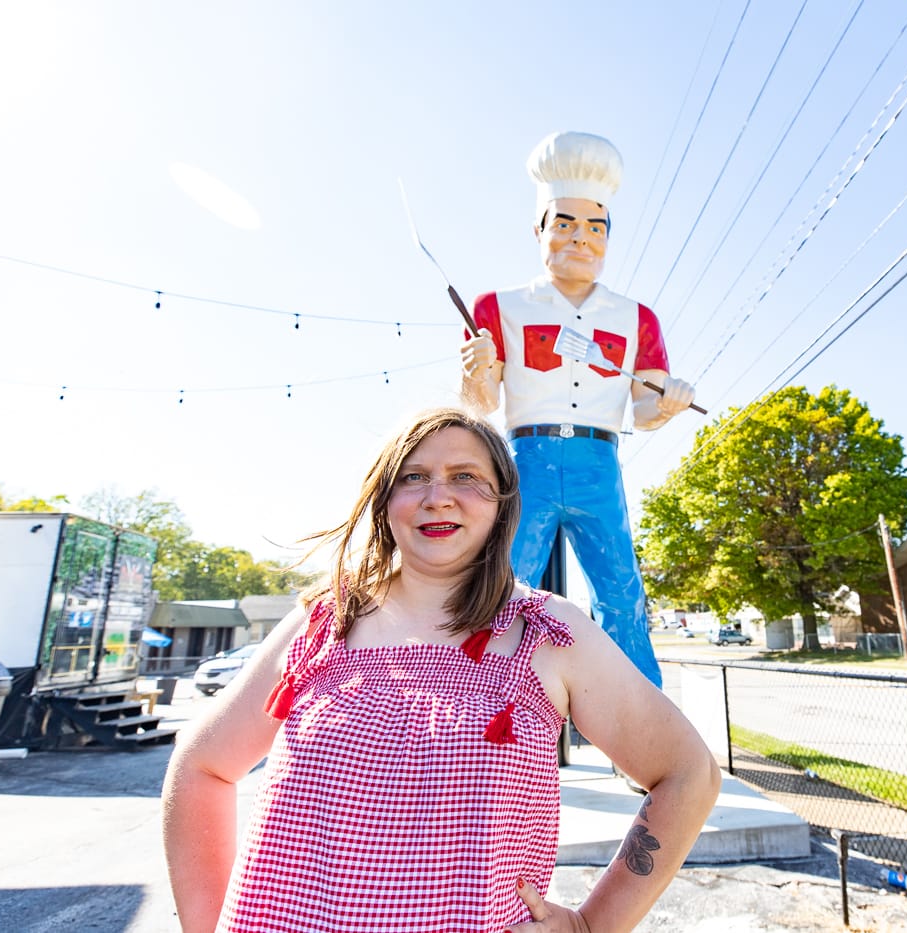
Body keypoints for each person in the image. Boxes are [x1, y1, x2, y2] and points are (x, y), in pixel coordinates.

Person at [161, 407, 721, 933]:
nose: (438, 498)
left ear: (502, 502)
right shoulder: (323, 622)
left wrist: (591, 924)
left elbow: (688, 774)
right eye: (413, 477)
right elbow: (201, 765)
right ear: (384, 500)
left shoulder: (550, 632)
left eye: (465, 477)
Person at [460, 131, 698, 689]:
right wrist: (475, 370)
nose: (581, 239)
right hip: (526, 459)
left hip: (598, 461)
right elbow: (482, 402)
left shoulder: (638, 318)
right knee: (504, 587)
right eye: (564, 224)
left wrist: (668, 404)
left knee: (621, 593)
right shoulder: (497, 307)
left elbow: (643, 409)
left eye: (596, 227)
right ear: (539, 228)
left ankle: (640, 731)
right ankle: (486, 715)